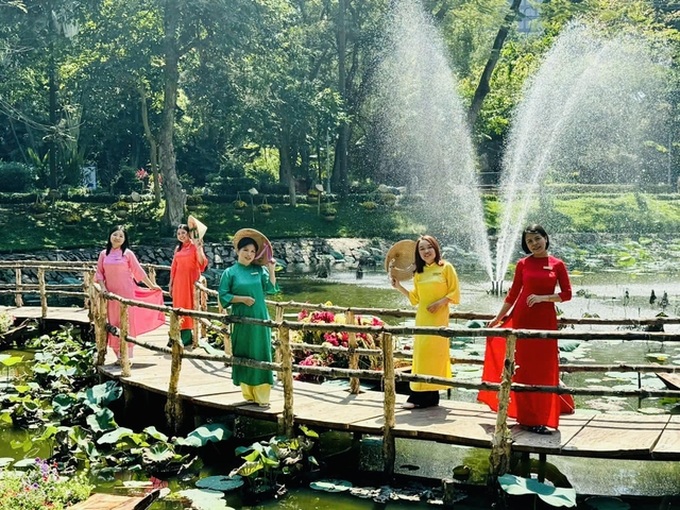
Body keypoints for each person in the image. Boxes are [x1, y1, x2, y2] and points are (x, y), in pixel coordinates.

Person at [478, 224, 573, 434]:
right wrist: (497, 318)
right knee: (522, 369)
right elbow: (512, 295)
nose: (534, 244)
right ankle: (527, 418)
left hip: (545, 321)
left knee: (543, 368)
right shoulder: (523, 264)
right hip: (522, 319)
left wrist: (543, 298)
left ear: (546, 238)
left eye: (537, 238)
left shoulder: (557, 264)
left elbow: (567, 294)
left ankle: (542, 416)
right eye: (529, 241)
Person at [390, 235, 460, 409]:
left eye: (429, 247)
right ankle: (423, 397)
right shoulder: (419, 273)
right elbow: (415, 299)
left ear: (435, 248)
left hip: (438, 318)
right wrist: (398, 286)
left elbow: (455, 293)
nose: (426, 251)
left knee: (435, 355)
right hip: (422, 317)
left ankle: (426, 396)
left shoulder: (446, 268)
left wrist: (439, 303)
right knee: (421, 355)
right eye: (422, 249)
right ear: (418, 253)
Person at [218, 230, 279, 407]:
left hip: (260, 318)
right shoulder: (230, 273)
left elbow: (271, 289)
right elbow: (223, 296)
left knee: (262, 352)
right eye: (246, 250)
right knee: (244, 352)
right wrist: (242, 299)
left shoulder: (259, 270)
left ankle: (263, 397)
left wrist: (271, 269)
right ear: (238, 250)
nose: (249, 254)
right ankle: (248, 394)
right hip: (240, 320)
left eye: (253, 251)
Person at [95, 225, 164, 363]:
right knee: (114, 322)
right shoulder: (104, 254)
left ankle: (127, 356)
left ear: (125, 239)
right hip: (111, 294)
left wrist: (151, 285)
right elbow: (99, 273)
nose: (117, 238)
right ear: (110, 235)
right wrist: (103, 288)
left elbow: (138, 271)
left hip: (127, 292)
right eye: (115, 234)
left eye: (121, 236)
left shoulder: (127, 254)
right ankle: (118, 356)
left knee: (127, 322)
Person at [169, 223, 208, 346]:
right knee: (178, 306)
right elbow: (174, 266)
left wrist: (199, 248)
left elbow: (202, 264)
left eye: (183, 233)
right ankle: (176, 334)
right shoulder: (178, 248)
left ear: (189, 234)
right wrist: (171, 283)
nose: (181, 236)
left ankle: (187, 336)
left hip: (190, 281)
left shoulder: (194, 246)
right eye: (179, 233)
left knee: (188, 306)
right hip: (178, 282)